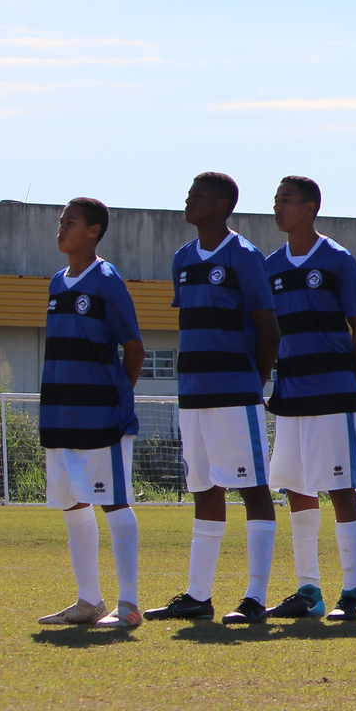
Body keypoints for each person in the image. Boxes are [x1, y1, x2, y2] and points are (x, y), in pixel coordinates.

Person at [146, 173, 280, 624]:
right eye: (189, 193)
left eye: (198, 195)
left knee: (253, 490)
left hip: (234, 395)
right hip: (193, 394)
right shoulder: (183, 257)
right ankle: (198, 596)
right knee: (204, 489)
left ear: (222, 205)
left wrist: (253, 382)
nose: (189, 200)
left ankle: (255, 598)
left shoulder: (244, 257)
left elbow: (268, 327)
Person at [262, 176, 356, 621]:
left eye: (285, 201)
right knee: (295, 488)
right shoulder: (270, 266)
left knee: (340, 488)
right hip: (289, 394)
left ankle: (352, 593)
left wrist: (354, 388)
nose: (277, 208)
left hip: (332, 395)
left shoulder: (337, 260)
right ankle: (309, 591)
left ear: (310, 208)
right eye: (275, 200)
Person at [36, 198, 145, 628]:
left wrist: (116, 397)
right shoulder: (57, 283)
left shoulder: (106, 279)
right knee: (71, 504)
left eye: (71, 223)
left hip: (100, 418)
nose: (61, 229)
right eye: (61, 222)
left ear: (94, 231)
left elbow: (133, 346)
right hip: (60, 417)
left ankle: (129, 603)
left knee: (113, 504)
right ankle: (88, 602)